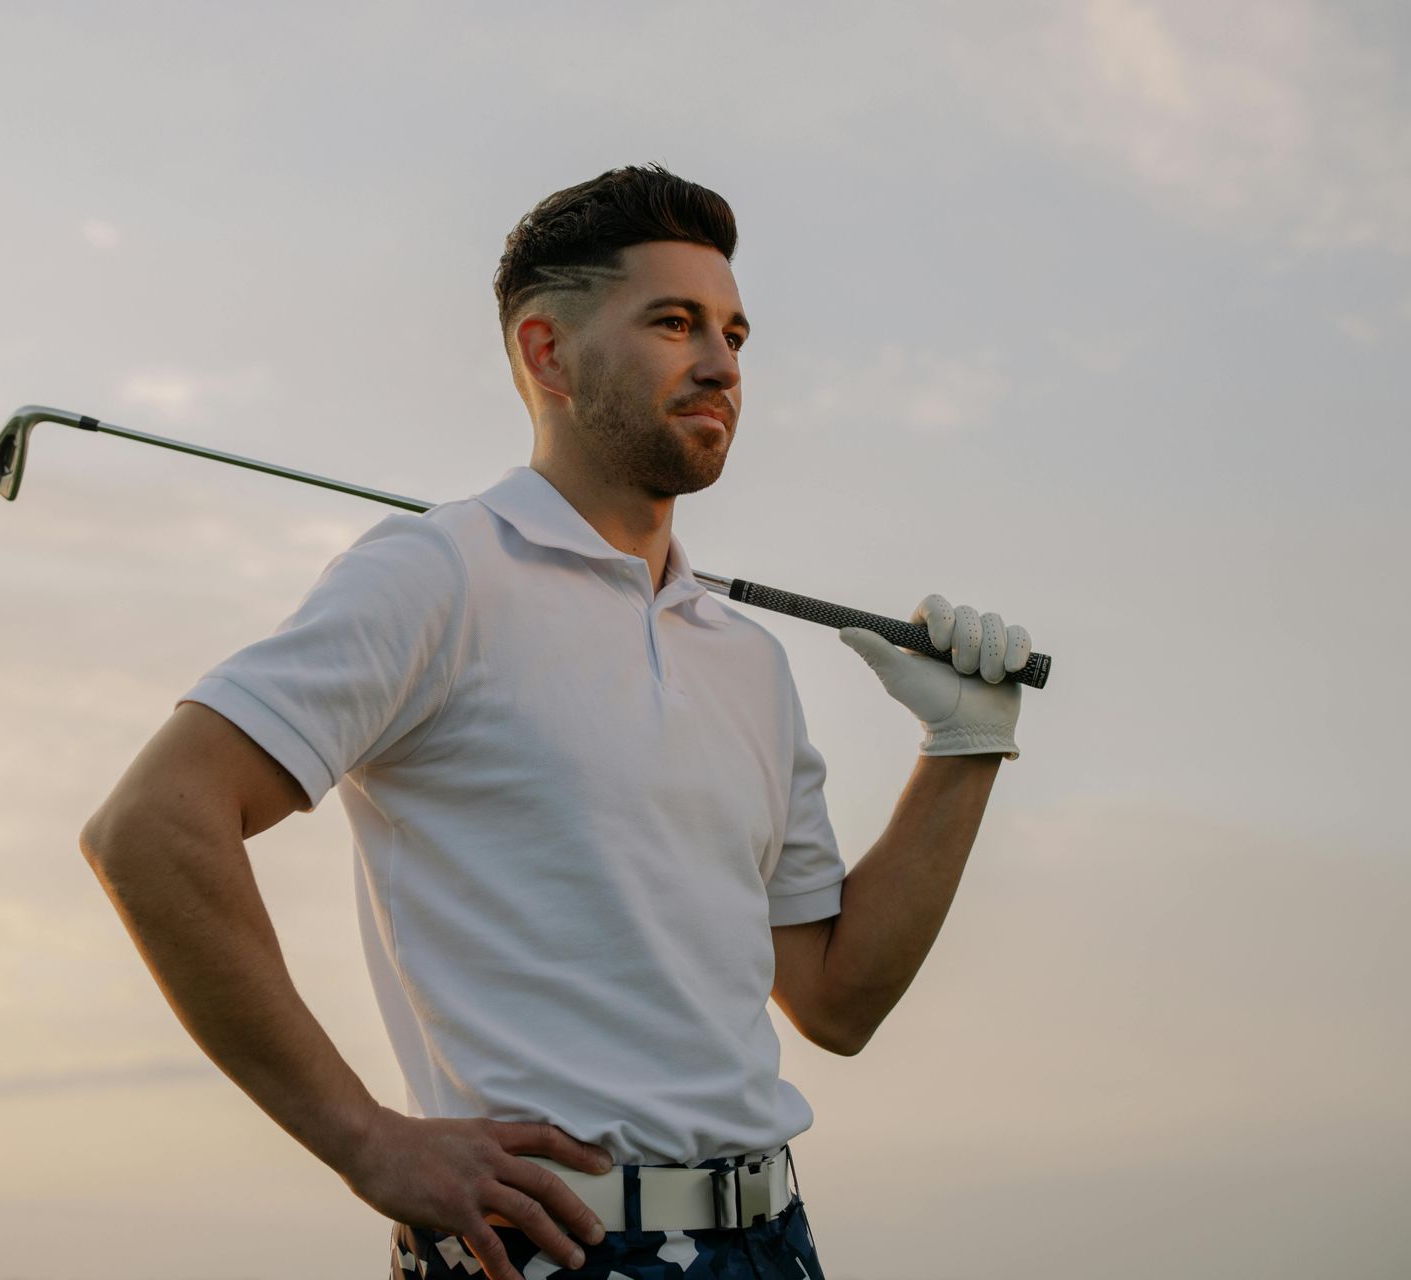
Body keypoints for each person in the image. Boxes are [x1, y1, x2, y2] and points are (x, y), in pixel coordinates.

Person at [78, 163, 1035, 1280]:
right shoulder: (439, 574)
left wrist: (963, 749)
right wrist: (364, 1138)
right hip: (551, 1245)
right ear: (547, 353)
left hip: (772, 1238)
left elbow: (835, 996)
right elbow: (149, 826)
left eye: (735, 331)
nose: (723, 363)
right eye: (675, 323)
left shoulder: (750, 661)